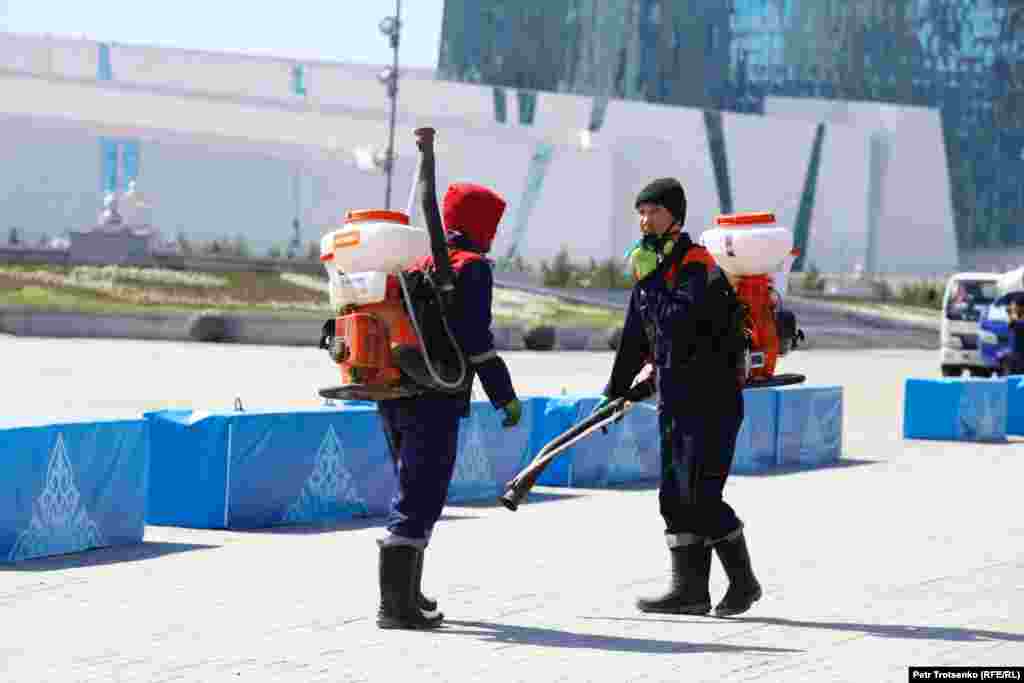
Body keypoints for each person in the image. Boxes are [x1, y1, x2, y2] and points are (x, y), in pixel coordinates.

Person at [595, 177, 761, 617]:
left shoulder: (698, 266)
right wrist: (612, 393)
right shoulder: (652, 267)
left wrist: (650, 282)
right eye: (641, 212)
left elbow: (679, 325)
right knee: (673, 496)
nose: (645, 220)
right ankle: (689, 591)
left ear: (676, 216)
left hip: (712, 400)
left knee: (702, 497)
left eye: (653, 211)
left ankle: (744, 585)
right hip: (675, 400)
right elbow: (635, 338)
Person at [376, 182, 522, 630]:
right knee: (422, 495)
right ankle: (396, 607)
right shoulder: (472, 268)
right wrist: (505, 395)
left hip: (395, 392)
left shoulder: (415, 264)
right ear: (482, 226)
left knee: (409, 489)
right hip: (435, 394)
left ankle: (408, 596)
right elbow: (476, 342)